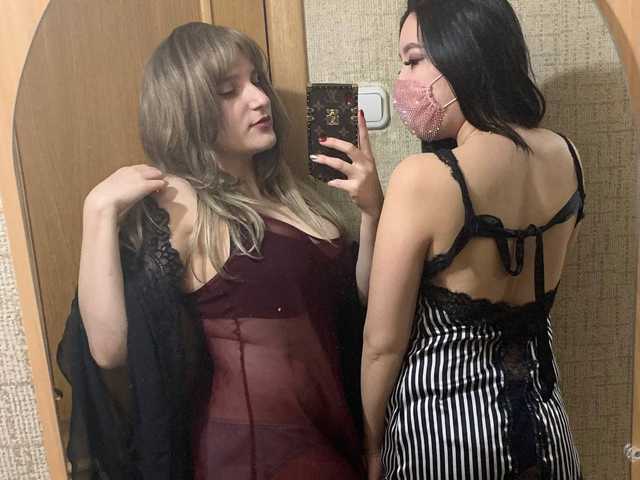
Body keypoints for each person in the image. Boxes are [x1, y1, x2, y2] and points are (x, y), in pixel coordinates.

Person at [58, 22, 383, 479]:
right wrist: (97, 211)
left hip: (327, 433)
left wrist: (371, 212)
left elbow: (360, 300)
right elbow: (110, 350)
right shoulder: (182, 200)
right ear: (186, 111)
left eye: (257, 80)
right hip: (254, 451)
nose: (260, 98)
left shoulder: (295, 196)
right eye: (229, 91)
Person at [361, 1, 584, 479]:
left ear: (463, 53)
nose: (403, 79)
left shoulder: (423, 178)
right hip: (547, 431)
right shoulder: (568, 155)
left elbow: (382, 345)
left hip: (445, 440)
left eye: (413, 60)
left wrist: (372, 445)